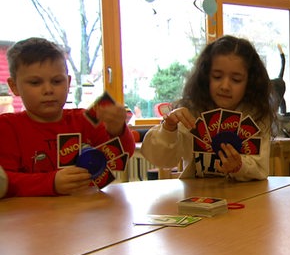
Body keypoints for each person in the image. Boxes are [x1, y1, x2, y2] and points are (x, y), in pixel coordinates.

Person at [0, 37, 135, 198]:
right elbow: (4, 182)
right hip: (29, 219)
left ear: (68, 82)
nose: (48, 90)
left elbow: (124, 154)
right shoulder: (7, 127)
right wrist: (51, 182)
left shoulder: (84, 120)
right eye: (35, 83)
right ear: (14, 86)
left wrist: (117, 130)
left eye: (57, 81)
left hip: (84, 215)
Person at [141, 35, 275, 181]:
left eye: (236, 80)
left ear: (249, 83)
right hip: (196, 198)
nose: (225, 86)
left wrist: (239, 166)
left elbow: (260, 170)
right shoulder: (191, 113)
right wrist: (168, 128)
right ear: (206, 77)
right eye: (217, 76)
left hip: (247, 199)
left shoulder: (257, 116)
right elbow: (162, 160)